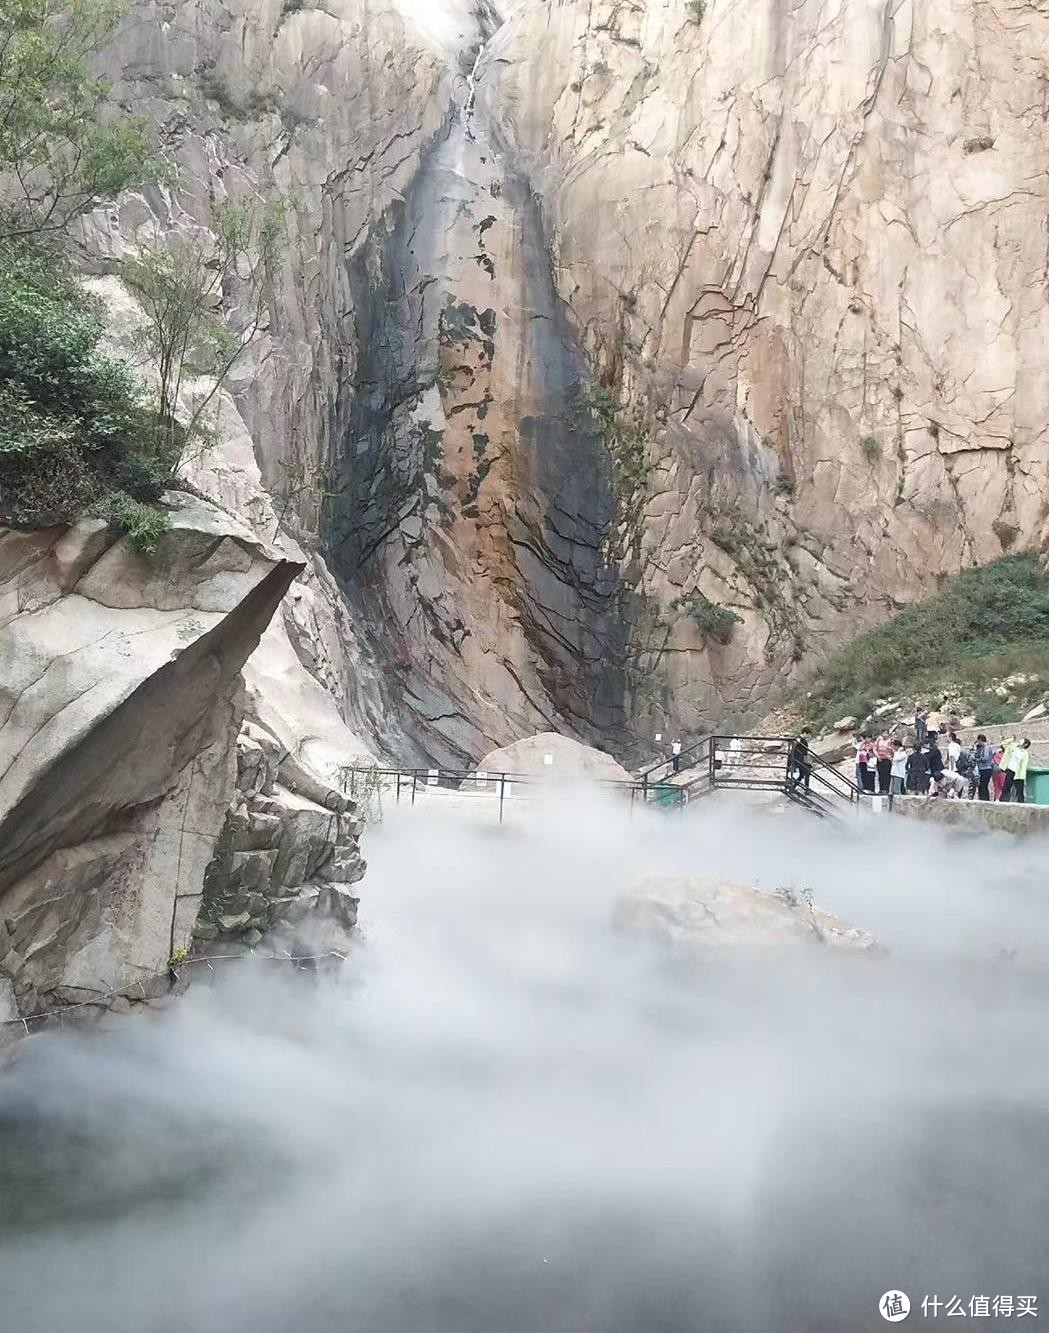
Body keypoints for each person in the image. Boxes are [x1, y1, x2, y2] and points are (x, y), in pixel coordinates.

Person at [1003, 738, 1032, 803]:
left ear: (1025, 744)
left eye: (1022, 740)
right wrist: (1012, 739)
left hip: (1018, 773)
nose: (1020, 741)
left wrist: (1022, 775)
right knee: (1006, 788)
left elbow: (1023, 765)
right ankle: (1004, 802)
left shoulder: (1025, 753)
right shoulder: (1013, 747)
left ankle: (1021, 804)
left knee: (1019, 791)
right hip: (1010, 770)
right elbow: (1004, 743)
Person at [974, 733, 994, 801]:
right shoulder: (983, 748)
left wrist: (978, 759)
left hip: (986, 769)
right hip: (983, 769)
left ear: (980, 740)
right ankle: (982, 799)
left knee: (983, 785)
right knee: (981, 786)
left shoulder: (986, 747)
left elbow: (986, 758)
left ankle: (985, 799)